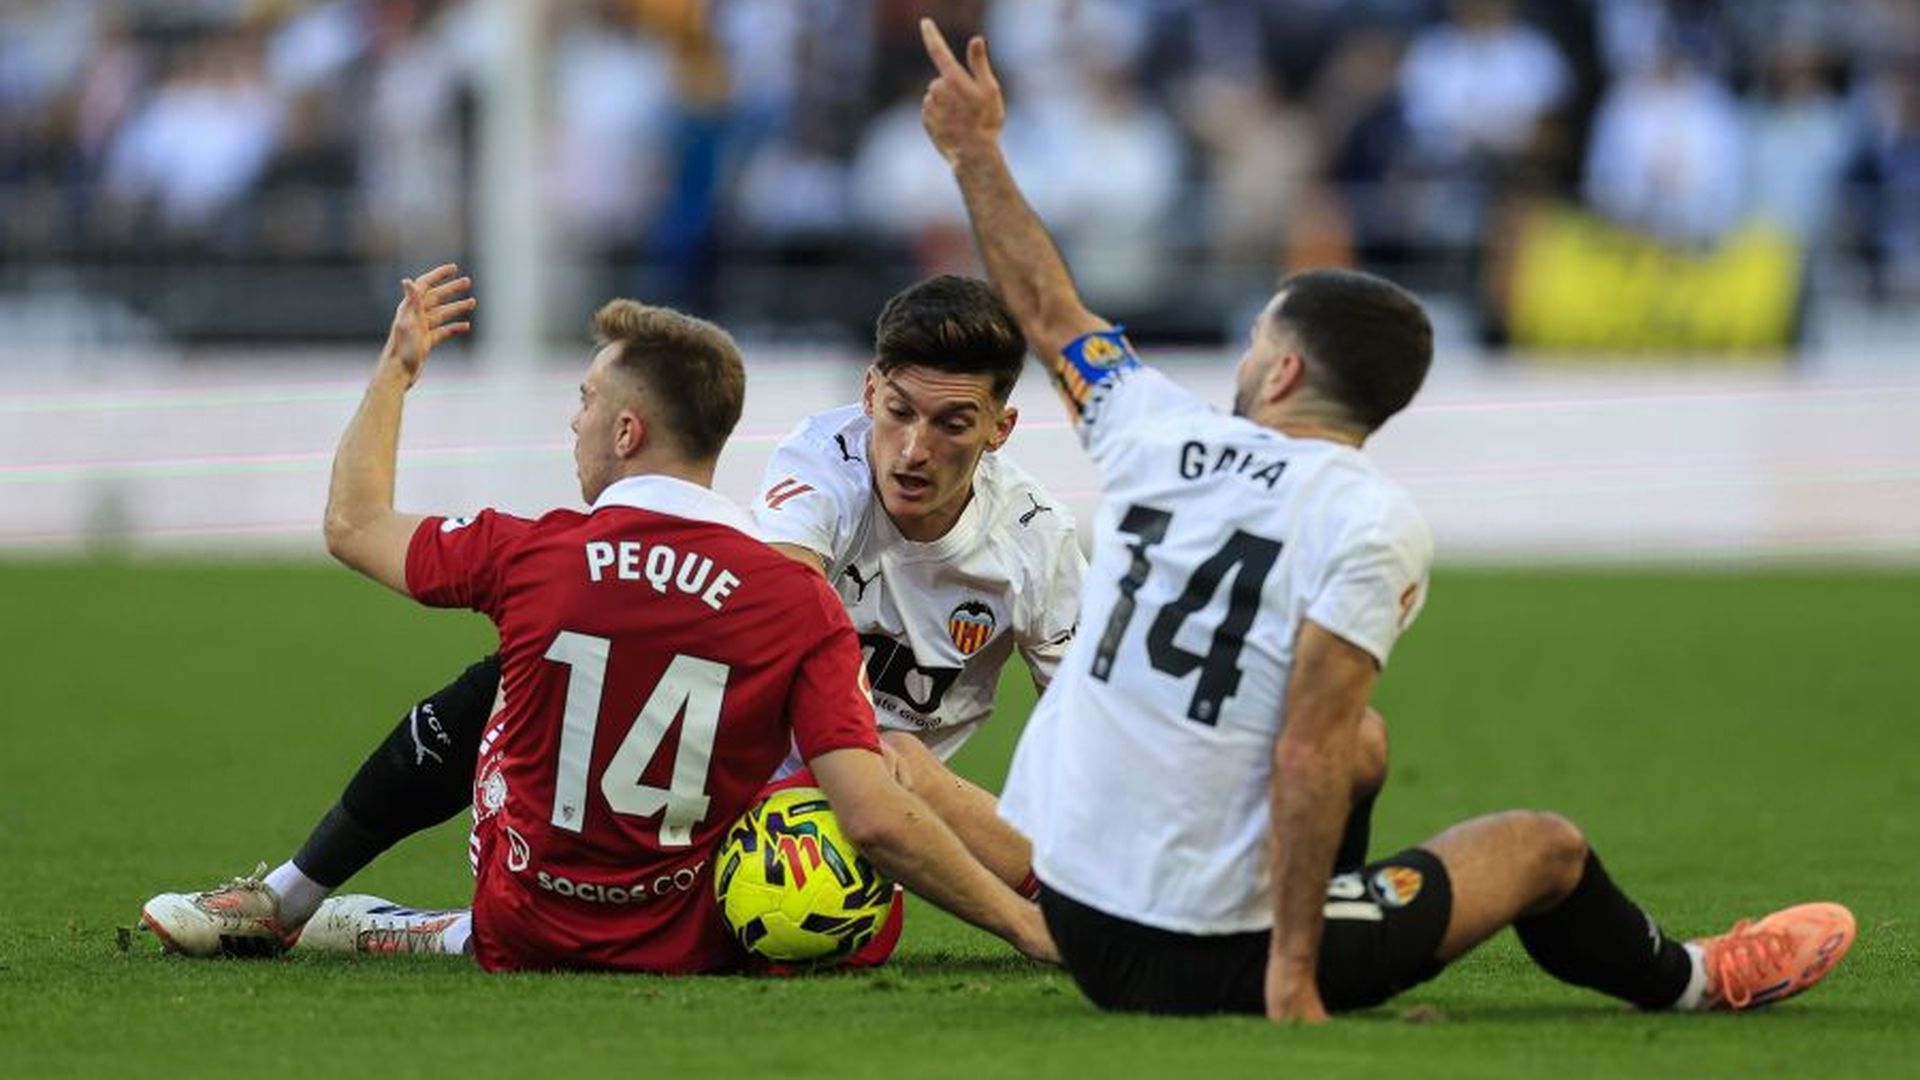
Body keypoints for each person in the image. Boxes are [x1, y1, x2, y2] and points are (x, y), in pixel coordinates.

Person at [916, 18, 1855, 1020]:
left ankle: (1302, 921)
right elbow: (1303, 752)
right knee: (1544, 846)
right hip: (1194, 955)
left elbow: (1048, 308)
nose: (1244, 358)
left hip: (1073, 896)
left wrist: (975, 151)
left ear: (1281, 372)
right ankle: (1698, 982)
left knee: (1365, 742)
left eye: (1257, 341)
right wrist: (1290, 978)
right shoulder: (1370, 517)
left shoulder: (1150, 428)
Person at [145, 264, 1054, 972]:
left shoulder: (535, 550)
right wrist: (1024, 928)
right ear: (867, 397)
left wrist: (394, 375)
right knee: (857, 784)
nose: (572, 421)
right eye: (900, 412)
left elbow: (351, 524)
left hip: (518, 918)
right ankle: (1077, 914)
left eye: (583, 402)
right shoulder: (796, 591)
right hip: (698, 932)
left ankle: (317, 904)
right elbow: (878, 816)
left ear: (626, 432)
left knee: (509, 677)